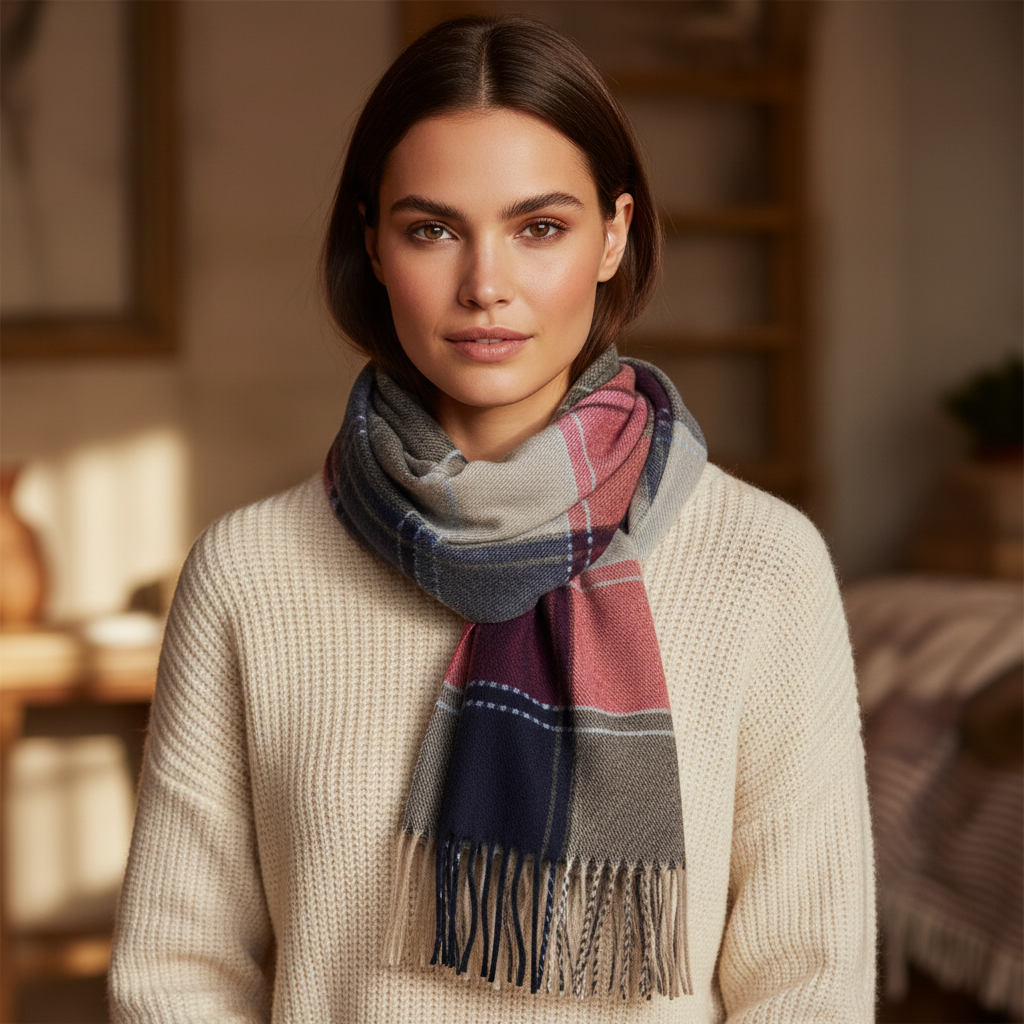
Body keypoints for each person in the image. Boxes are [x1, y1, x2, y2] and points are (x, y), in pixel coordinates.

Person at [109, 15, 875, 1023]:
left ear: (613, 235)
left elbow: (808, 981)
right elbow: (177, 971)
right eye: (431, 229)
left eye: (539, 227)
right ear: (372, 244)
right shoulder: (251, 571)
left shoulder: (764, 563)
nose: (485, 286)